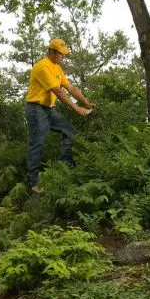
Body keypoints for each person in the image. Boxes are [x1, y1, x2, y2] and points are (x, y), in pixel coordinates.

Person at [25, 38, 95, 192]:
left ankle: (67, 167)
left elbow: (70, 87)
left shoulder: (57, 68)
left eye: (64, 54)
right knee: (37, 143)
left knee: (69, 130)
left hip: (50, 109)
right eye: (61, 54)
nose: (62, 57)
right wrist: (76, 108)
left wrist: (85, 102)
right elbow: (57, 91)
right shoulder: (42, 67)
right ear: (52, 51)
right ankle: (34, 183)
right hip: (36, 109)